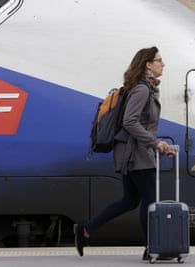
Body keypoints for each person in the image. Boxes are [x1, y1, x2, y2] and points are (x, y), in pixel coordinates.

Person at [74, 46, 174, 260]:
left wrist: (158, 144)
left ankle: (84, 231)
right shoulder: (142, 90)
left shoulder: (146, 88)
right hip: (135, 154)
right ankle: (152, 248)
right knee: (149, 201)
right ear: (148, 64)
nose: (163, 63)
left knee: (130, 200)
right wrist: (155, 143)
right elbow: (130, 122)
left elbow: (141, 124)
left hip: (133, 151)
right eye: (159, 60)